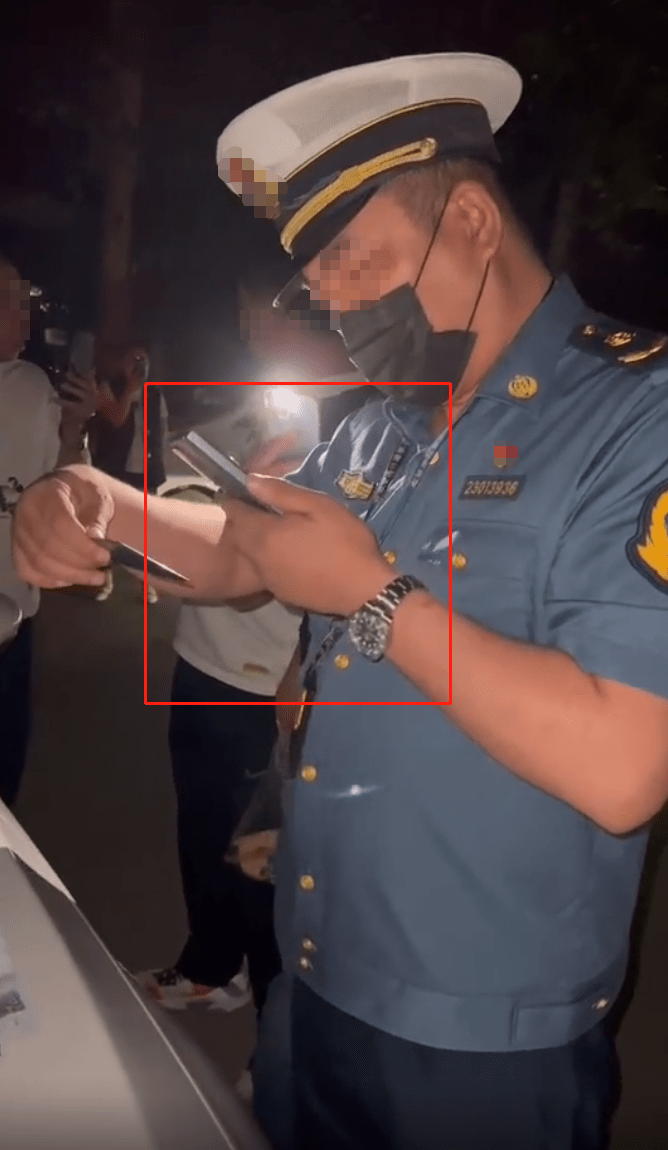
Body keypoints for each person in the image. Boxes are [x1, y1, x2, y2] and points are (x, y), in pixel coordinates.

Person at [11, 52, 668, 1150]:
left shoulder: (636, 419)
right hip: (313, 981)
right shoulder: (388, 424)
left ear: (470, 221)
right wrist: (95, 498)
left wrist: (372, 595)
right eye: (317, 279)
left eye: (355, 261)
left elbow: (621, 768)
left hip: (479, 1049)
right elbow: (247, 546)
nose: (339, 304)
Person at [135, 275, 364, 1022]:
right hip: (202, 657)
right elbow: (196, 505)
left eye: (263, 310)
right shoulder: (262, 397)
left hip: (265, 681)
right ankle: (209, 966)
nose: (250, 327)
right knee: (202, 829)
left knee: (261, 858)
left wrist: (242, 520)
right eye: (241, 309)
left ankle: (275, 1032)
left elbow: (311, 572)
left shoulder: (360, 418)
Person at [0, 254, 97, 807]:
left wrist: (75, 429)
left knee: (7, 759)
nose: (24, 317)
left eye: (24, 303)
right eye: (10, 303)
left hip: (13, 621)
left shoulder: (34, 387)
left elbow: (63, 494)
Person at [91, 344, 168, 602]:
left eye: (143, 360)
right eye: (133, 359)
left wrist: (159, 462)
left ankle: (146, 583)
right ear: (121, 362)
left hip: (146, 471)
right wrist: (130, 389)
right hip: (115, 469)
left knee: (147, 531)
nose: (139, 365)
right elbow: (116, 419)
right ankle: (105, 580)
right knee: (110, 527)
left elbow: (162, 429)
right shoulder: (108, 387)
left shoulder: (154, 394)